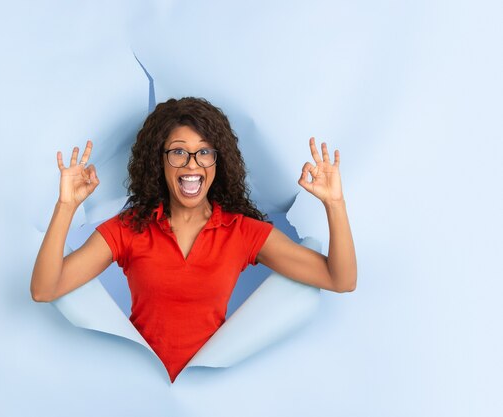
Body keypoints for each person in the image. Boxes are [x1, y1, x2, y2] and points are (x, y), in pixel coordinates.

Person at [30, 97, 357, 383]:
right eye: (178, 153)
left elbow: (339, 279)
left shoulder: (241, 231)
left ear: (218, 160)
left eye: (204, 152)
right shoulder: (129, 228)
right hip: (138, 387)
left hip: (210, 392)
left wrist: (335, 203)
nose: (192, 165)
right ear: (159, 161)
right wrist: (67, 206)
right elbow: (45, 289)